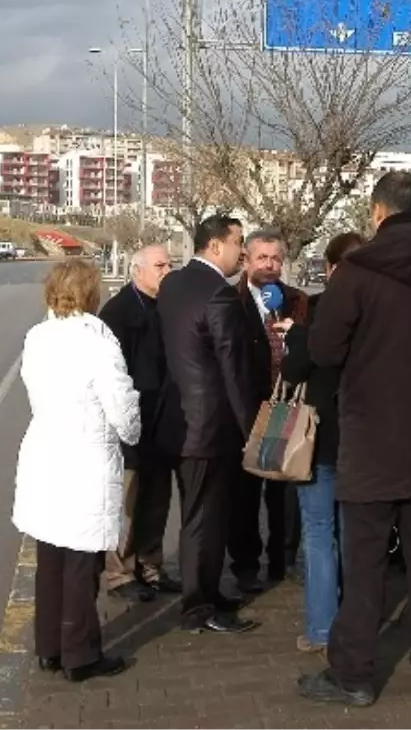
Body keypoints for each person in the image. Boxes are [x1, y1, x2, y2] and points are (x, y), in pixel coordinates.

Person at [298, 171, 411, 706]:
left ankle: (353, 675)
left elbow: (326, 350)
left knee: (366, 561)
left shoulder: (355, 273)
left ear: (377, 212)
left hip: (371, 439)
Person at [11, 260, 140, 682]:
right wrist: (134, 433)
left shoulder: (37, 336)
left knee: (51, 557)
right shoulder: (97, 342)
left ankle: (49, 646)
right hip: (85, 459)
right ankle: (80, 654)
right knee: (83, 563)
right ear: (91, 293)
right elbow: (122, 408)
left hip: (46, 452)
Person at [156, 214, 260, 634]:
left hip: (182, 422)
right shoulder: (219, 295)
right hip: (210, 427)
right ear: (215, 246)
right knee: (205, 518)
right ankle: (199, 606)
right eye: (238, 243)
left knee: (199, 514)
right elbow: (234, 372)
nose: (243, 251)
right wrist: (253, 428)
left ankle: (208, 592)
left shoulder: (174, 285)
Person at [274, 231, 366, 654]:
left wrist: (295, 337)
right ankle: (356, 618)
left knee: (318, 531)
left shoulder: (323, 310)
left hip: (320, 435)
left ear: (330, 269)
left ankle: (322, 627)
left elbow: (296, 367)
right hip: (365, 435)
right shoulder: (381, 311)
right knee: (353, 531)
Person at [99, 244, 184, 603]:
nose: (167, 270)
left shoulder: (168, 308)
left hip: (164, 423)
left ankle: (151, 566)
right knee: (129, 505)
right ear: (137, 271)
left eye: (169, 264)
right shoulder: (118, 313)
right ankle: (120, 575)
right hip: (131, 425)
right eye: (160, 265)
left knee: (157, 501)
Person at [230, 228, 308, 594]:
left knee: (285, 492)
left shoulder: (297, 302)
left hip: (286, 408)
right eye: (261, 258)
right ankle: (245, 565)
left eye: (275, 258)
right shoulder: (232, 301)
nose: (269, 265)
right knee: (244, 494)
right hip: (248, 410)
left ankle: (284, 560)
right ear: (246, 259)